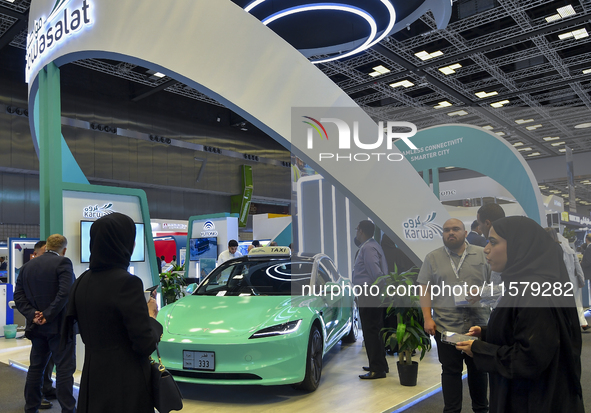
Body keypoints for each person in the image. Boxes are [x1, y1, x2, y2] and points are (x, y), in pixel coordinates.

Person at [456, 217, 584, 413]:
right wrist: (486, 333)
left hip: (531, 400)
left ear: (519, 245)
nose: (486, 249)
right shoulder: (525, 285)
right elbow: (526, 328)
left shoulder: (534, 292)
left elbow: (529, 359)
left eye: (494, 242)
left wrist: (480, 349)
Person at [63, 213, 162, 413]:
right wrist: (152, 317)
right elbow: (144, 344)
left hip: (92, 379)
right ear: (125, 244)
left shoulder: (81, 281)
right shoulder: (128, 283)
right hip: (125, 384)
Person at [418, 218, 489, 413]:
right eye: (446, 230)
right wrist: (427, 318)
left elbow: (497, 286)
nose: (451, 233)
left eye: (456, 229)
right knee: (450, 372)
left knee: (479, 370)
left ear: (465, 233)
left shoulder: (483, 255)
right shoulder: (432, 258)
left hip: (477, 327)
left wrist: (484, 293)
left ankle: (481, 410)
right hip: (446, 326)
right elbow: (424, 289)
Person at [14, 234, 77, 413]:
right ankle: (68, 410)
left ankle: (31, 408)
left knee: (36, 368)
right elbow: (65, 293)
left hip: (37, 328)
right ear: (64, 250)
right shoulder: (64, 263)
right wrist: (47, 315)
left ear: (46, 246)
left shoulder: (27, 267)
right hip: (60, 328)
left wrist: (34, 315)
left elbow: (18, 296)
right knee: (64, 371)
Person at [353, 220, 389, 379]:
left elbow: (376, 272)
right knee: (375, 329)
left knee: (370, 330)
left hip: (369, 293)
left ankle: (377, 369)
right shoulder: (373, 245)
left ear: (360, 230)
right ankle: (380, 364)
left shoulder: (367, 248)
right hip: (373, 293)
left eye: (356, 230)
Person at [545, 228, 589, 331]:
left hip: (560, 281)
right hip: (572, 280)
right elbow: (577, 266)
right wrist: (581, 280)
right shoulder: (570, 250)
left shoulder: (551, 249)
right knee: (577, 302)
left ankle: (569, 324)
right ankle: (582, 323)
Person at [30, 240, 58, 403]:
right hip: (38, 325)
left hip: (53, 323)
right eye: (43, 253)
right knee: (38, 363)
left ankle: (47, 388)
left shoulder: (56, 270)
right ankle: (37, 396)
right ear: (35, 254)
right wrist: (37, 315)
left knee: (51, 360)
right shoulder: (30, 272)